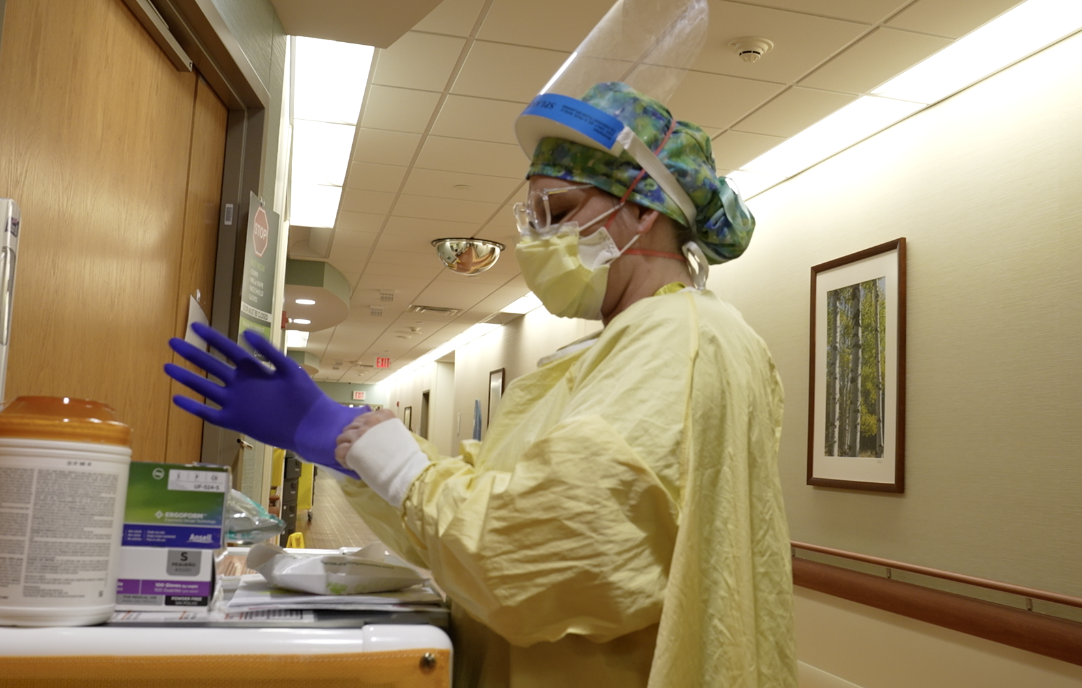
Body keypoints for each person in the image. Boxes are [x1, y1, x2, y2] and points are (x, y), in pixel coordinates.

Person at [167, 82, 795, 688]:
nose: (540, 240)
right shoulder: (625, 348)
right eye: (534, 218)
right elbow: (488, 505)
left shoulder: (676, 340)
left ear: (642, 206)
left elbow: (528, 552)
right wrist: (344, 446)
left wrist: (373, 451)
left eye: (561, 212)